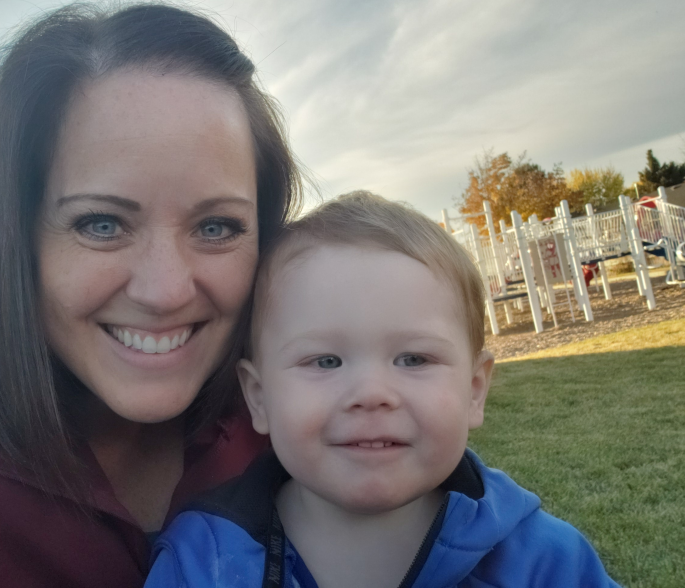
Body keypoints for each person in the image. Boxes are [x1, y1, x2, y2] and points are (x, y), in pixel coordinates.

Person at [0, 1, 302, 587]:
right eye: (101, 224)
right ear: (17, 234)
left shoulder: (309, 394)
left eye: (216, 228)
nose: (164, 292)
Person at [146, 191, 620, 587]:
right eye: (325, 361)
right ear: (258, 396)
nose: (372, 393)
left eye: (413, 359)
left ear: (474, 390)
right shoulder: (199, 565)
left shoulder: (546, 564)